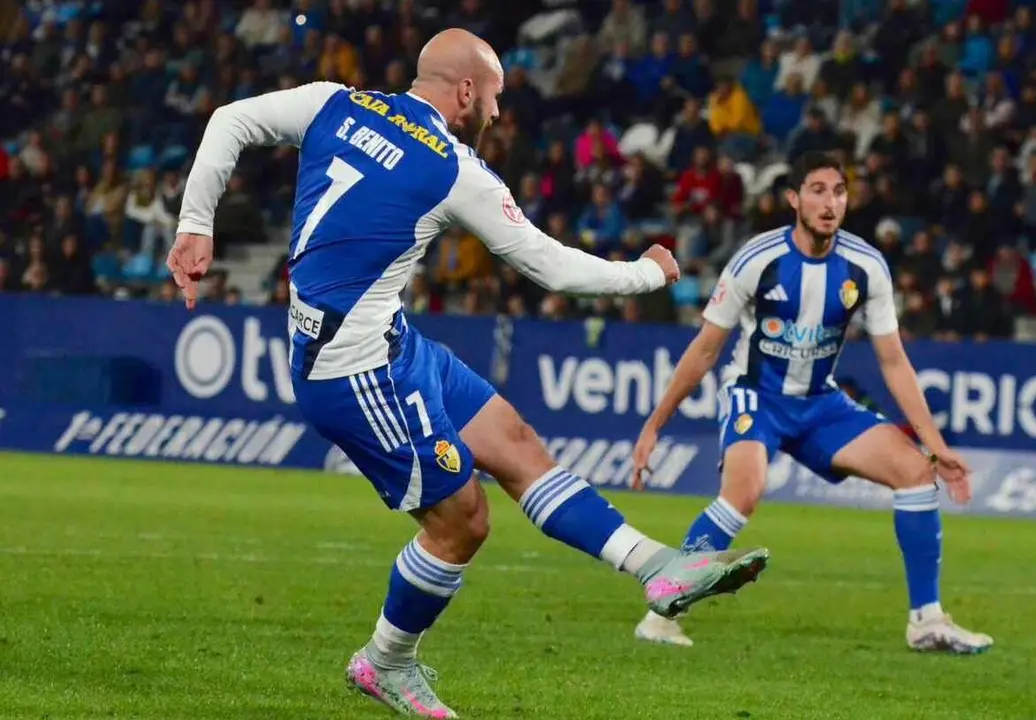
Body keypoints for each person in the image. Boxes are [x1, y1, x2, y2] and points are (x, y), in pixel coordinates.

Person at [167, 29, 769, 720]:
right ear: (464, 92)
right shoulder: (452, 167)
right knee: (463, 522)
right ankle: (385, 664)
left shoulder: (336, 103)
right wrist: (648, 272)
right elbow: (551, 266)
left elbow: (230, 119)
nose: (498, 112)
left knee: (515, 442)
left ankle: (658, 568)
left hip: (389, 342)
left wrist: (195, 224)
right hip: (354, 370)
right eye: (496, 96)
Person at [628, 150, 993, 654]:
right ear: (794, 199)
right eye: (817, 190)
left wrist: (934, 445)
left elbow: (893, 362)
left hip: (821, 403)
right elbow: (706, 348)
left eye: (839, 191)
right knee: (745, 490)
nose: (829, 202)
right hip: (756, 395)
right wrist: (654, 425)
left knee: (914, 472)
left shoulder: (865, 266)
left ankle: (927, 621)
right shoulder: (757, 260)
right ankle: (661, 613)